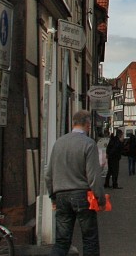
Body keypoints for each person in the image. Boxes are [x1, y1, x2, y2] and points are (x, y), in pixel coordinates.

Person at [45, 110, 104, 256]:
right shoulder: (88, 144)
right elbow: (93, 177)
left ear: (73, 123)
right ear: (87, 124)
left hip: (61, 195)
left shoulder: (59, 143)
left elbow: (48, 175)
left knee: (62, 241)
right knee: (90, 240)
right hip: (82, 195)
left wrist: (53, 197)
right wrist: (100, 199)